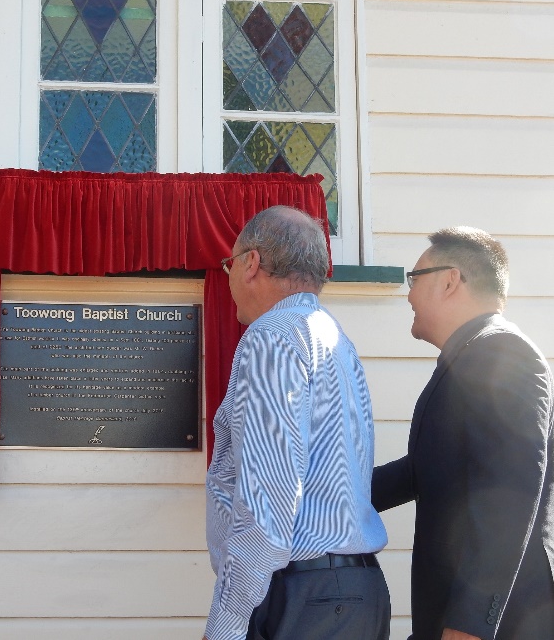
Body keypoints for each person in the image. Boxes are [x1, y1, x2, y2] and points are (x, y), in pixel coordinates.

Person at [204, 206, 390, 640]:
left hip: (304, 597)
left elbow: (268, 501)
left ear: (251, 264)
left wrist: (226, 625)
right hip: (354, 593)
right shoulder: (334, 337)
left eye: (229, 264)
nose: (229, 277)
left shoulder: (273, 336)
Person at [372, 227, 554, 640]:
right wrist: (328, 500)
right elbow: (424, 470)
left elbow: (510, 494)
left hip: (501, 622)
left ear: (450, 280)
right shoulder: (471, 355)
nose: (409, 295)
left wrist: (471, 623)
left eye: (414, 279)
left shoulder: (504, 354)